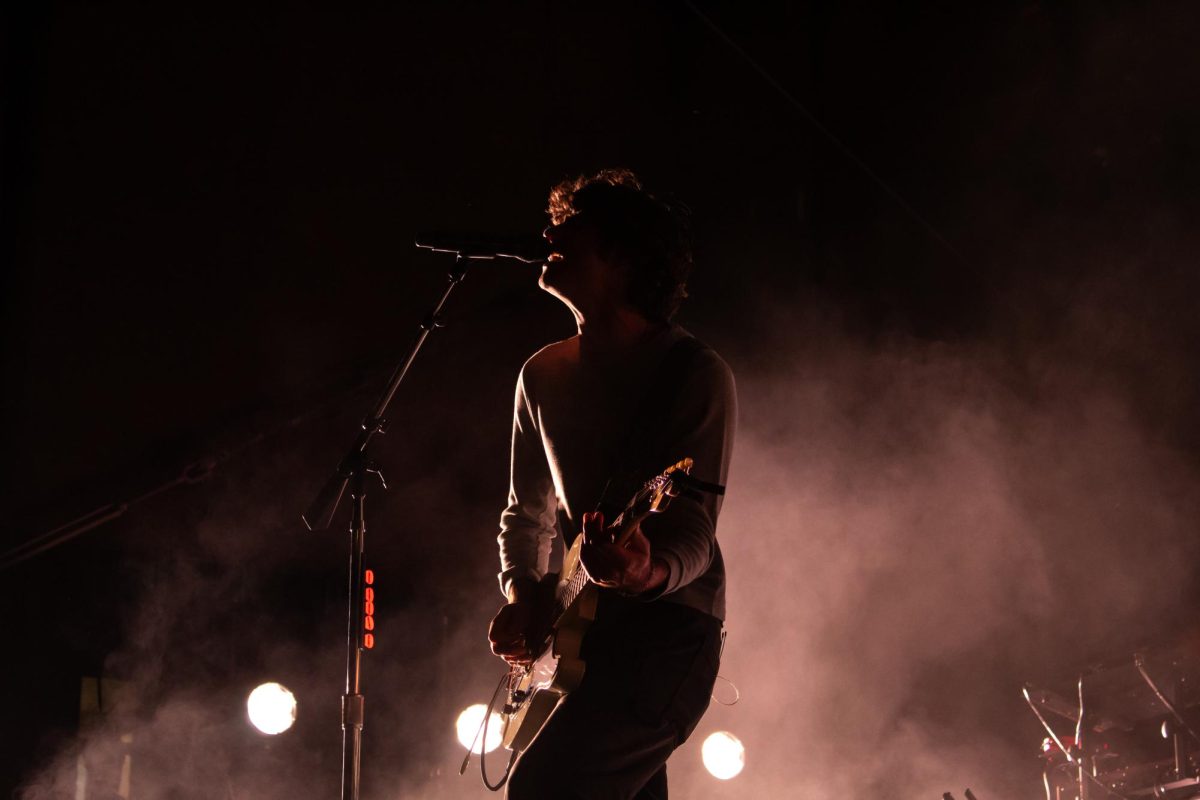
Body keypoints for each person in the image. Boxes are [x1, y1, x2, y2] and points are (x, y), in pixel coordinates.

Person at [487, 169, 737, 799]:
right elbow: (526, 516)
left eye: (570, 224)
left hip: (668, 637)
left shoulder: (694, 374)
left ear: (621, 253)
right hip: (586, 641)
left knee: (544, 791)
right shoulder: (540, 374)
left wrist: (643, 573)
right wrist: (525, 597)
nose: (548, 232)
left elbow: (694, 534)